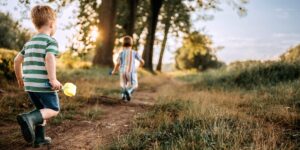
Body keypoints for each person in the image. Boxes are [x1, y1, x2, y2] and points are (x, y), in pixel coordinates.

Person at [14, 5, 62, 148]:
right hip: (44, 84)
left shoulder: (29, 43)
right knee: (53, 109)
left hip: (30, 86)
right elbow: (49, 58)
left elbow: (17, 61)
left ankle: (39, 139)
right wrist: (53, 79)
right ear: (52, 24)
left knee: (42, 111)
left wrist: (19, 78)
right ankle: (28, 118)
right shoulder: (50, 41)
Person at [111, 36, 145, 101]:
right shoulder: (134, 52)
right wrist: (140, 66)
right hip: (131, 72)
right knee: (135, 85)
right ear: (131, 43)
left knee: (123, 85)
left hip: (122, 72)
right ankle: (128, 92)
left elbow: (117, 63)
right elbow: (142, 61)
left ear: (123, 43)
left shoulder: (121, 53)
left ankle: (123, 95)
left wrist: (113, 71)